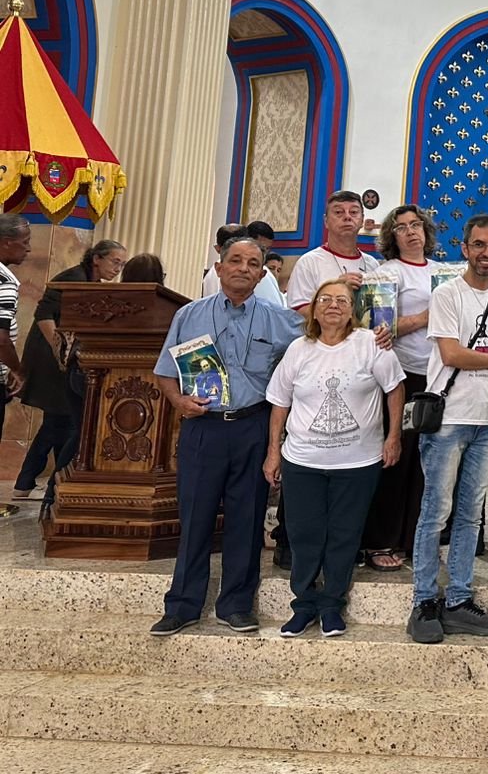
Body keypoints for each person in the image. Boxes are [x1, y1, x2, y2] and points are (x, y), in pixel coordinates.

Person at [150, 237, 306, 635]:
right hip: (203, 428)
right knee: (196, 518)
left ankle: (236, 604)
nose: (243, 268)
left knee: (247, 519)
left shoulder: (280, 319)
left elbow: (320, 344)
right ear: (218, 269)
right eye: (235, 260)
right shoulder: (189, 315)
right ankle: (182, 605)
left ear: (262, 274)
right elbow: (165, 373)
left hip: (254, 426)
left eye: (253, 263)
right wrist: (178, 401)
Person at [407, 215, 488, 644]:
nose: (487, 253)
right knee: (435, 513)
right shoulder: (446, 294)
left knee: (469, 516)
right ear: (464, 248)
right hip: (448, 419)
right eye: (478, 244)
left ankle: (460, 600)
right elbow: (452, 354)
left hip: (487, 418)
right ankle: (424, 602)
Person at [264, 278, 405, 637]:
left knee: (344, 535)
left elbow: (395, 389)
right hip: (303, 461)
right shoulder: (298, 349)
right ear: (312, 308)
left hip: (357, 463)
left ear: (352, 310)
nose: (333, 305)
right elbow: (280, 403)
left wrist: (393, 437)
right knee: (303, 533)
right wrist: (273, 453)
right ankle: (304, 603)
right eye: (325, 299)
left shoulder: (371, 343)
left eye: (342, 300)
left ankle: (332, 605)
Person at [14, 239, 126, 506]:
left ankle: (28, 483)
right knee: (60, 422)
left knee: (58, 423)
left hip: (65, 359)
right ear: (96, 258)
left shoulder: (91, 282)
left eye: (122, 264)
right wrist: (61, 351)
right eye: (115, 262)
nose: (118, 268)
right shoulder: (72, 278)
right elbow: (43, 314)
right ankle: (41, 483)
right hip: (51, 361)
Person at [359, 204, 438, 571]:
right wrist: (424, 318)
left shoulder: (444, 272)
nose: (410, 232)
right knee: (397, 458)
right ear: (392, 236)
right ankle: (381, 540)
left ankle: (412, 538)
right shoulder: (386, 272)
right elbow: (380, 330)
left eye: (416, 225)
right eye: (402, 227)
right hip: (400, 375)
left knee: (428, 462)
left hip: (437, 373)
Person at [0, 215, 31, 520]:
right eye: (24, 244)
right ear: (6, 243)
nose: (29, 250)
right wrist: (17, 369)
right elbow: (1, 338)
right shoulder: (5, 280)